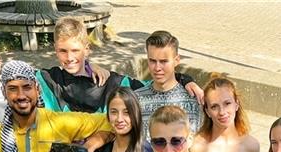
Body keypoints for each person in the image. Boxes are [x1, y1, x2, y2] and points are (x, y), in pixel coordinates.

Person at [38, 17, 202, 114]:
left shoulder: (112, 82)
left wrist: (184, 79)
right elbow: (15, 75)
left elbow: (154, 87)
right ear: (55, 50)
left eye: (75, 50)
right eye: (63, 51)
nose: (69, 57)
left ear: (87, 50)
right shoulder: (48, 79)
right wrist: (89, 65)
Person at [135, 31, 204, 139]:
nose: (157, 68)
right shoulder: (136, 99)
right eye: (152, 61)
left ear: (176, 60)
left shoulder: (194, 99)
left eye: (163, 61)